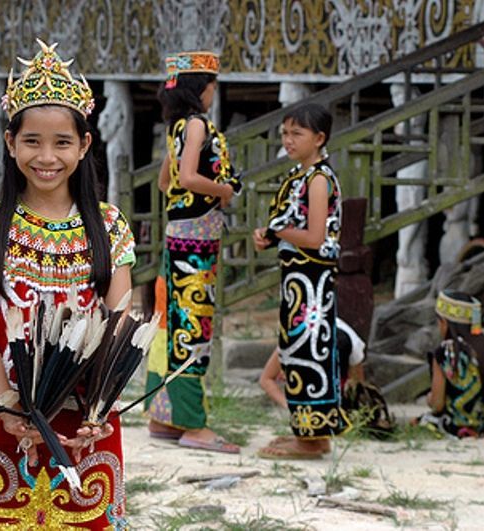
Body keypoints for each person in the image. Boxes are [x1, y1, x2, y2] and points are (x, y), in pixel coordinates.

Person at [0, 39, 136, 529]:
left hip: (87, 420)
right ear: (11, 143)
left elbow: (119, 324)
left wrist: (99, 408)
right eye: (32, 141)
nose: (47, 157)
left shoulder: (110, 225)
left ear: (84, 145)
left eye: (62, 143)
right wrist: (10, 407)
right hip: (3, 412)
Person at [143, 50, 243, 454]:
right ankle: (191, 423)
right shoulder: (198, 125)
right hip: (198, 235)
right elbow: (186, 177)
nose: (213, 94)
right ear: (200, 89)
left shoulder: (178, 127)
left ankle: (163, 416)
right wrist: (224, 190)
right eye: (212, 87)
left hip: (177, 231)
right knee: (193, 322)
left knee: (174, 319)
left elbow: (166, 183)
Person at [252, 102, 350, 459]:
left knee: (308, 353)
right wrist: (272, 237)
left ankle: (310, 440)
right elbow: (296, 231)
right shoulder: (300, 177)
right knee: (296, 353)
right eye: (285, 133)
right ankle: (312, 436)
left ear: (320, 138)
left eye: (297, 133)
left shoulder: (319, 179)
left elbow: (314, 237)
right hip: (297, 281)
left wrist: (279, 231)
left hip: (312, 283)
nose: (288, 140)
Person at [259, 318, 366, 457]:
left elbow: (265, 379)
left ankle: (307, 444)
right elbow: (357, 381)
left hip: (314, 356)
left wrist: (294, 407)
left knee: (311, 384)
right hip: (335, 393)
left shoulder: (295, 335)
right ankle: (320, 439)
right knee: (321, 386)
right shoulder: (350, 337)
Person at [414, 290, 484, 438]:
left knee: (420, 422)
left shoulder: (445, 352)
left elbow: (438, 405)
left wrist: (430, 399)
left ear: (444, 322)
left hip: (457, 426)